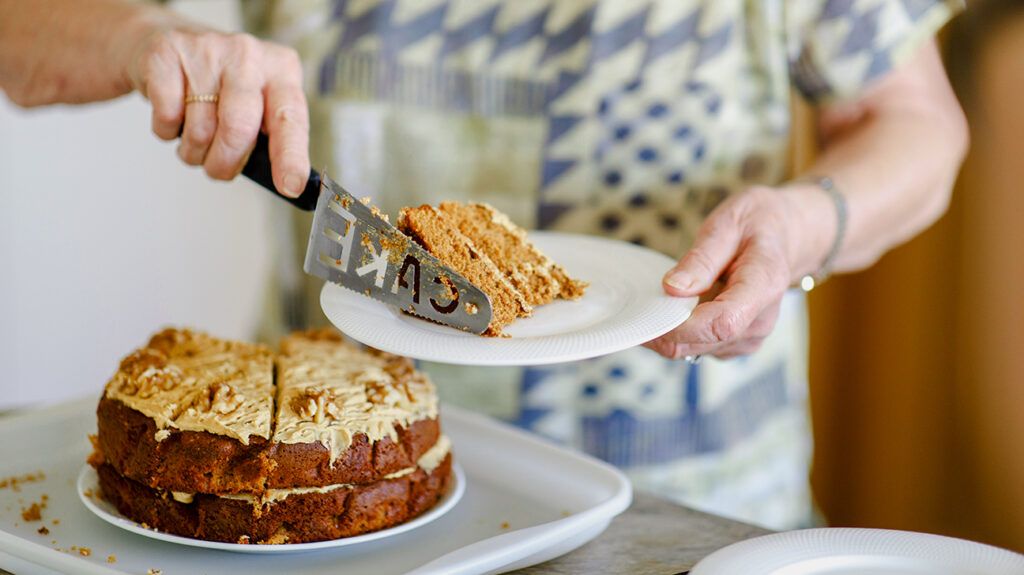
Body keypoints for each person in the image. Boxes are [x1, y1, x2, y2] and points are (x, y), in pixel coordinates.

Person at [1, 0, 968, 529]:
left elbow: (917, 127)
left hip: (692, 507)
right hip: (316, 492)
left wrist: (806, 222)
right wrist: (145, 39)